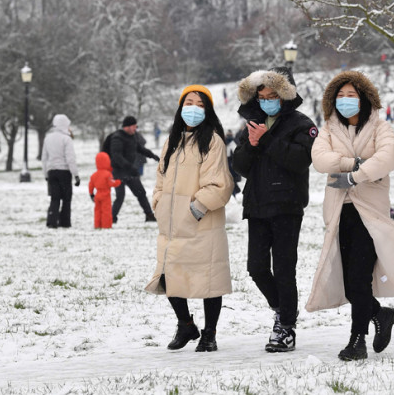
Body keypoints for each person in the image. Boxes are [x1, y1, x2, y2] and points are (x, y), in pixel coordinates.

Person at [308, 70, 394, 361]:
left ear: (364, 98)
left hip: (370, 213)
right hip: (340, 212)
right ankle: (381, 314)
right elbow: (320, 159)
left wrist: (355, 176)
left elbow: (387, 157)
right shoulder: (328, 130)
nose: (345, 100)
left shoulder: (380, 127)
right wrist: (354, 163)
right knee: (350, 282)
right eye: (340, 96)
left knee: (359, 277)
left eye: (351, 95)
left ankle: (357, 341)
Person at [232, 66, 317, 353]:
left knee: (283, 269)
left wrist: (266, 140)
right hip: (256, 205)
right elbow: (240, 166)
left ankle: (286, 328)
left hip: (286, 206)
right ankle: (283, 309)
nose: (267, 101)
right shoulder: (253, 122)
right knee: (256, 268)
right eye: (262, 97)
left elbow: (300, 160)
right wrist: (252, 144)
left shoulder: (301, 124)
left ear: (284, 95)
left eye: (273, 96)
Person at [145, 85, 234, 353]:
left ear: (208, 110)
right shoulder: (172, 141)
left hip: (201, 224)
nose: (193, 109)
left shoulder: (213, 141)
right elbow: (160, 177)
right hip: (171, 225)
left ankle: (210, 334)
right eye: (189, 103)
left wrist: (196, 208)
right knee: (169, 275)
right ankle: (185, 324)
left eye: (200, 104)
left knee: (209, 279)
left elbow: (219, 184)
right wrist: (159, 202)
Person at [106, 116, 161, 224]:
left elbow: (140, 148)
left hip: (129, 172)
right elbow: (117, 156)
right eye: (134, 126)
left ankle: (149, 215)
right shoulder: (117, 138)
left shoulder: (133, 136)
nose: (135, 128)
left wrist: (153, 156)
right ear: (128, 126)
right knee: (120, 196)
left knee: (141, 193)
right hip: (118, 172)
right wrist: (130, 168)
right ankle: (111, 218)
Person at [41, 114, 79, 229]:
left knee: (55, 198)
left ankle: (52, 221)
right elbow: (70, 158)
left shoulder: (48, 138)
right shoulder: (66, 139)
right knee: (66, 199)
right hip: (64, 172)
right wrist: (76, 174)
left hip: (52, 172)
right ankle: (65, 221)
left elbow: (44, 158)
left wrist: (45, 173)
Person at [88, 152, 121, 229]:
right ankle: (106, 225)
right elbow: (111, 183)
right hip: (106, 195)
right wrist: (118, 182)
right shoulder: (108, 174)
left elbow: (91, 185)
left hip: (97, 195)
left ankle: (97, 225)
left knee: (97, 211)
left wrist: (91, 194)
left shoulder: (94, 175)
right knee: (106, 211)